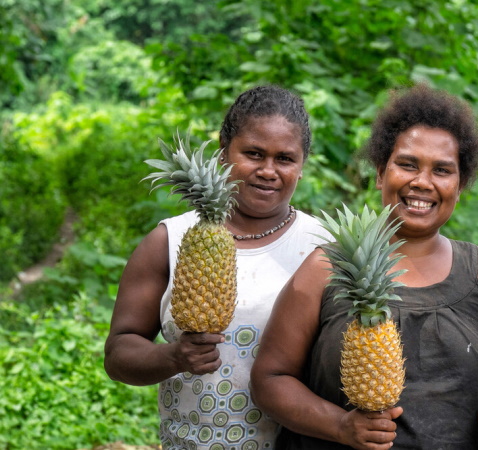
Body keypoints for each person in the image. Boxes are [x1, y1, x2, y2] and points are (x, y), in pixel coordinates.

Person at [250, 84, 478, 449]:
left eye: (442, 170)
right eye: (407, 164)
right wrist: (340, 426)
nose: (422, 182)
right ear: (381, 172)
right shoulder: (327, 267)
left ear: (460, 186)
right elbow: (269, 380)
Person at [104, 85, 332, 449]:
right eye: (254, 154)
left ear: (302, 166)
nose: (268, 171)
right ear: (224, 153)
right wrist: (174, 355)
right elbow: (118, 354)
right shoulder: (171, 239)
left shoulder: (324, 245)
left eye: (285, 159)